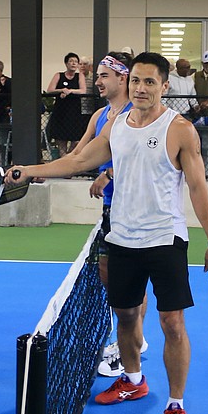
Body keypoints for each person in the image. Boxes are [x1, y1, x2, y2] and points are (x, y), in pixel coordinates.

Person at [8, 52, 208, 414]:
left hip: (165, 241)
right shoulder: (117, 126)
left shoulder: (179, 130)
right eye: (137, 81)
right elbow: (76, 160)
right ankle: (134, 380)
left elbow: (197, 188)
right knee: (125, 318)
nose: (141, 88)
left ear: (164, 86)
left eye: (150, 82)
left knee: (172, 323)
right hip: (122, 239)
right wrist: (30, 170)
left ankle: (175, 405)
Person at [61, 52, 149, 377]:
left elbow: (139, 155)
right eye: (97, 76)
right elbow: (78, 154)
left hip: (136, 209)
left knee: (130, 280)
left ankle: (132, 343)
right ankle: (135, 335)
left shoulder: (137, 114)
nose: (97, 81)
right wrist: (39, 171)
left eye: (103, 75)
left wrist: (109, 172)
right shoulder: (99, 115)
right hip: (111, 207)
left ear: (122, 77)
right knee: (107, 273)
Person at [45, 52, 87, 157]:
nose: (73, 64)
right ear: (66, 63)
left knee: (76, 139)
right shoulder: (58, 75)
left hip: (74, 111)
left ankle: (68, 158)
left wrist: (70, 91)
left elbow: (83, 90)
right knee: (61, 140)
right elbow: (50, 90)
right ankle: (62, 161)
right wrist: (61, 90)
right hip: (61, 111)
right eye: (71, 61)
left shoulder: (79, 76)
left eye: (76, 62)